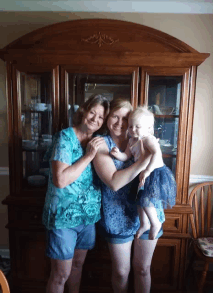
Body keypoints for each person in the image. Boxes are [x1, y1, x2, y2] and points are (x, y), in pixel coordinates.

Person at [93, 98, 166, 293]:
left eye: (125, 118)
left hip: (148, 212)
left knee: (143, 269)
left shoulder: (142, 139)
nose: (120, 123)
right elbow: (115, 182)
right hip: (117, 216)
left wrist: (150, 157)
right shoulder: (102, 145)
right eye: (115, 117)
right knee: (121, 272)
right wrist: (143, 163)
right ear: (107, 118)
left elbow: (158, 161)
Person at [42, 94, 109, 293]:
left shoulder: (98, 141)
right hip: (63, 218)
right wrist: (88, 156)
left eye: (101, 117)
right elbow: (60, 180)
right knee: (60, 274)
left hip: (87, 218)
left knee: (78, 266)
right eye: (92, 113)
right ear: (83, 110)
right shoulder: (65, 137)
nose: (96, 119)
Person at [110, 106, 176, 240]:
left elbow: (157, 153)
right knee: (139, 200)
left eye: (137, 127)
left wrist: (148, 170)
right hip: (142, 173)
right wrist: (118, 155)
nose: (133, 130)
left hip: (154, 172)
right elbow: (127, 156)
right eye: (130, 126)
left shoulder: (148, 139)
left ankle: (155, 223)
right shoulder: (131, 141)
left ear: (148, 128)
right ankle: (144, 224)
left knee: (146, 199)